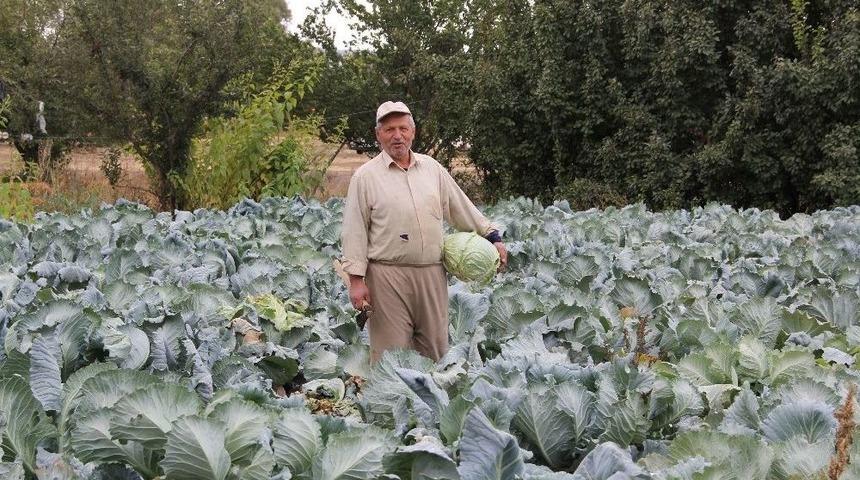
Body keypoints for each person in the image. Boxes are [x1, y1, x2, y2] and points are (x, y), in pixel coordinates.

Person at [340, 101, 507, 363]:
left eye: (403, 129)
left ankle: (432, 404)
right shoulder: (365, 177)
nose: (397, 136)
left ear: (412, 133)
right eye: (389, 129)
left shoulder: (432, 169)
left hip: (431, 273)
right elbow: (354, 230)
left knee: (435, 352)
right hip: (386, 277)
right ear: (378, 135)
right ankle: (390, 403)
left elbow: (460, 207)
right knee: (390, 355)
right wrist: (356, 281)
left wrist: (492, 237)